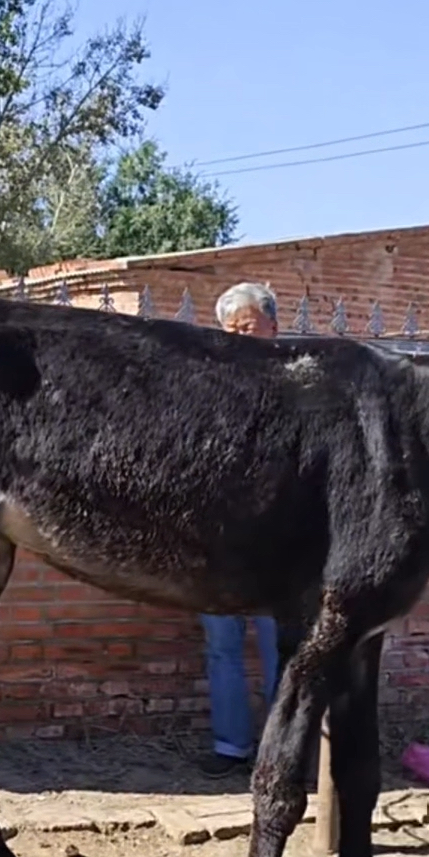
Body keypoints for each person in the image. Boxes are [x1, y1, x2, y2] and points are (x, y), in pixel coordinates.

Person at [200, 281, 281, 778]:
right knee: (221, 645)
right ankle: (230, 747)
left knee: (284, 647)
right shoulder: (211, 388)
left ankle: (281, 749)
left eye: (247, 328)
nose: (238, 339)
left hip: (279, 540)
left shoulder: (299, 384)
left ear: (273, 326)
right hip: (221, 542)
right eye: (230, 331)